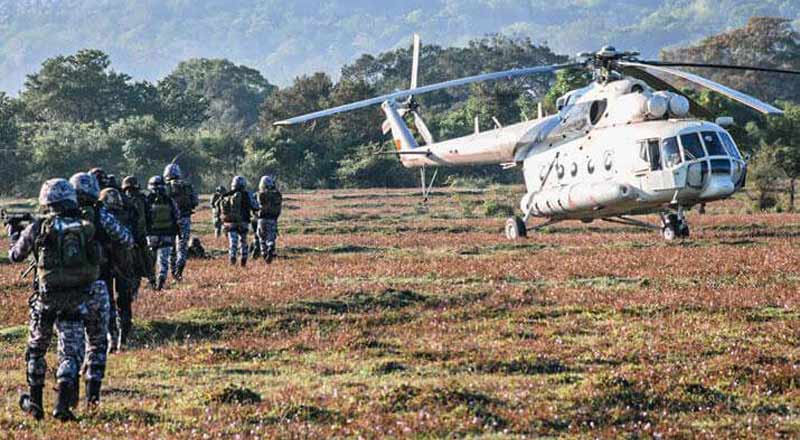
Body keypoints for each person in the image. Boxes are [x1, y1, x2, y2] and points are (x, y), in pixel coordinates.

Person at [9, 179, 95, 421]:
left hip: (45, 299)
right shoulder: (84, 226)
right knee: (70, 353)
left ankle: (35, 403)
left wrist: (14, 234)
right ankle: (62, 405)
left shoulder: (39, 226)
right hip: (76, 299)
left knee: (36, 350)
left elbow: (16, 256)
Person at [70, 172, 134, 408]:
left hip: (66, 286)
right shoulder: (100, 214)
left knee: (70, 336)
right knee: (97, 336)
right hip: (99, 277)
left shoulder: (55, 216)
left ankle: (68, 385)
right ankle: (92, 396)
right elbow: (125, 238)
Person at [98, 187, 139, 352]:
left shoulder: (99, 217)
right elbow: (130, 240)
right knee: (124, 302)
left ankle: (112, 337)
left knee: (107, 303)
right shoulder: (126, 216)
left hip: (103, 265)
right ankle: (123, 338)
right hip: (123, 264)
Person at [163, 163, 198, 281]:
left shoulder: (164, 187)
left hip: (170, 220)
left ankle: (173, 272)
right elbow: (195, 202)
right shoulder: (187, 186)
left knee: (171, 247)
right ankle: (179, 272)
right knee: (182, 246)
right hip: (184, 218)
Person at [146, 175, 182, 290]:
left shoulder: (147, 200)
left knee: (151, 260)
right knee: (164, 260)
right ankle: (161, 280)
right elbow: (177, 216)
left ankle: (152, 282)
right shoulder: (169, 200)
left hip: (152, 235)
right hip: (167, 234)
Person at [218, 176, 258, 267]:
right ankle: (243, 259)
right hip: (243, 222)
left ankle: (232, 257)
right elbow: (255, 206)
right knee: (243, 241)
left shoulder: (227, 195)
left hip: (230, 223)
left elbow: (219, 208)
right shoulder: (247, 194)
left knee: (233, 242)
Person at [255, 175, 283, 264]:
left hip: (262, 219)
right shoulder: (277, 195)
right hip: (272, 219)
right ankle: (271, 246)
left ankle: (264, 253)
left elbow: (256, 203)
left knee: (262, 237)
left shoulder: (260, 194)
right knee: (271, 237)